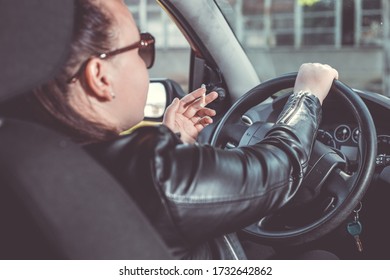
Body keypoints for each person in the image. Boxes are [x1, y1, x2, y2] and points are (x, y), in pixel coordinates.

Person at [25, 0, 338, 259]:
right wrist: (307, 96)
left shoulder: (27, 156)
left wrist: (171, 142)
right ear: (100, 77)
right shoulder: (151, 169)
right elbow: (281, 169)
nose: (145, 59)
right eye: (141, 48)